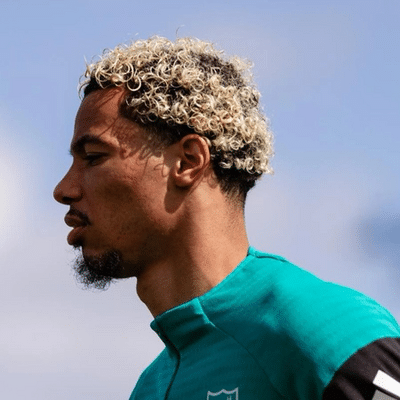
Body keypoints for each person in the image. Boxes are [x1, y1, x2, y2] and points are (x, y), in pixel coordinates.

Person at [54, 36, 400, 400]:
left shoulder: (320, 328)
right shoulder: (149, 389)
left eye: (93, 157)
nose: (63, 189)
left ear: (187, 162)